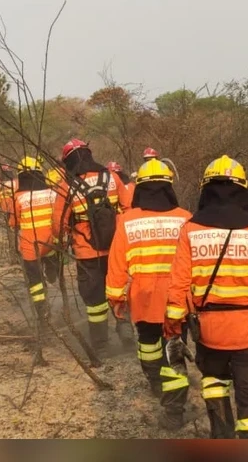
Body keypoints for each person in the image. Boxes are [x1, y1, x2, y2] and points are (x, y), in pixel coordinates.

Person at [164, 155, 248, 439]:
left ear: (206, 190)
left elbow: (178, 285)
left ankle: (221, 436)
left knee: (214, 384)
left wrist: (173, 327)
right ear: (243, 190)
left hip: (210, 331)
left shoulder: (191, 230)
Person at [105, 159, 192, 430]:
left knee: (148, 345)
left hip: (143, 299)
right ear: (169, 187)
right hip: (177, 300)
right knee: (174, 351)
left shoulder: (127, 220)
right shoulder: (186, 218)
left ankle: (156, 383)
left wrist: (116, 299)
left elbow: (117, 264)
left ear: (140, 188)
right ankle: (175, 409)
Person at [54, 138, 132, 354]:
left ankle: (101, 345)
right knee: (118, 289)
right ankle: (124, 326)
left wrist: (63, 240)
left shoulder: (66, 186)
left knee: (95, 300)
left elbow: (57, 224)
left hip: (87, 253)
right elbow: (129, 209)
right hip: (116, 249)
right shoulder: (112, 177)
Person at [2, 156, 62, 324]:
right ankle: (52, 269)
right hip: (51, 242)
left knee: (35, 281)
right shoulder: (52, 193)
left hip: (30, 247)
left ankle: (42, 311)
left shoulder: (18, 197)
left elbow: (13, 223)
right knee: (51, 256)